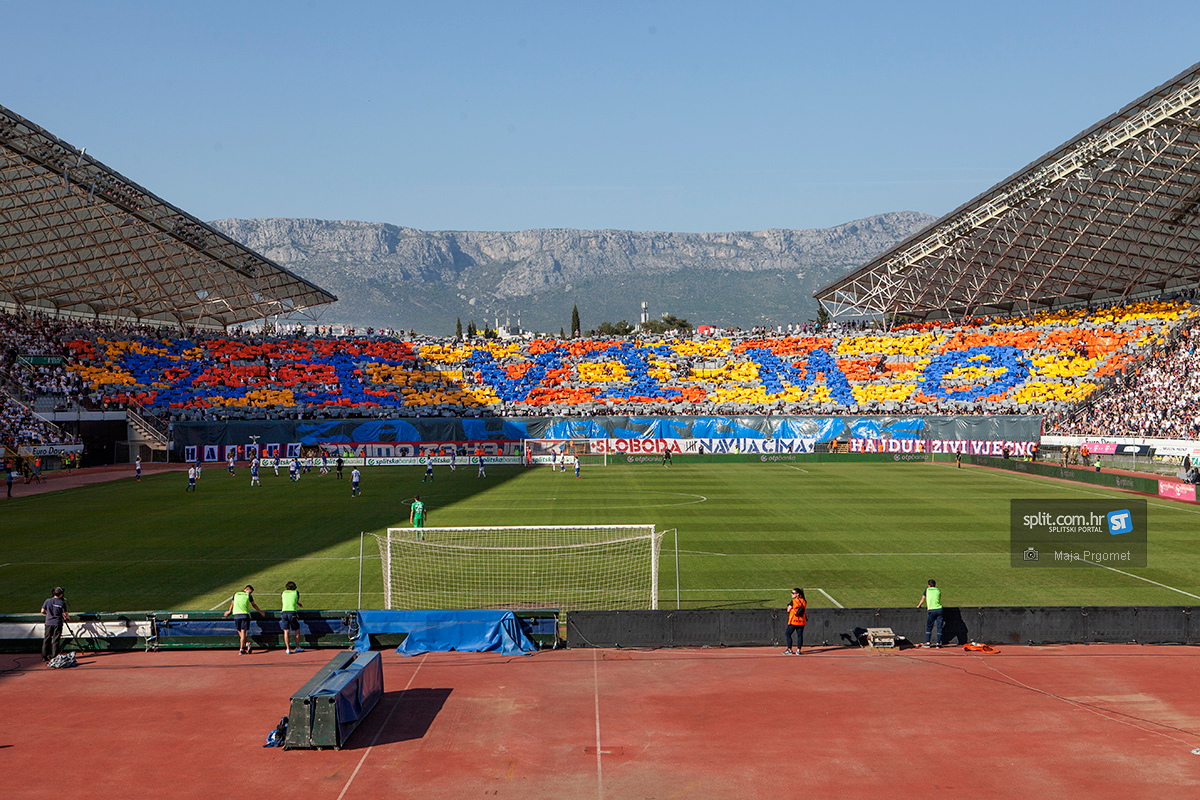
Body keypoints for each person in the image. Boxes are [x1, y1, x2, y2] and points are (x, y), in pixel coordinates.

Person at [223, 585, 262, 655]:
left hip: (236, 615)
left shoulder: (236, 594)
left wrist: (229, 611)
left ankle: (245, 645)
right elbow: (254, 605)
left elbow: (232, 604)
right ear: (246, 589)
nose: (250, 594)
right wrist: (261, 612)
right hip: (244, 615)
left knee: (240, 631)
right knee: (243, 632)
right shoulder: (248, 596)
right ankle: (242, 648)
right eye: (250, 592)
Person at [41, 586, 69, 663]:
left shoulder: (47, 601)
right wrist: (68, 618)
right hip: (57, 623)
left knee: (47, 638)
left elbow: (42, 611)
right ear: (61, 594)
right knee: (56, 639)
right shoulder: (62, 603)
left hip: (48, 622)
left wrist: (48, 615)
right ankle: (54, 655)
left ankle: (44, 655)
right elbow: (65, 614)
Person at [918, 579, 943, 648]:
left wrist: (919, 605)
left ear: (929, 585)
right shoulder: (938, 590)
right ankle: (938, 643)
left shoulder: (927, 590)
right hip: (939, 609)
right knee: (939, 627)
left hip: (932, 610)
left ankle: (928, 642)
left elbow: (922, 599)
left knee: (929, 626)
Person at [281, 581, 304, 654]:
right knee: (297, 630)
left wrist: (297, 603)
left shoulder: (283, 593)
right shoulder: (296, 592)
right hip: (292, 613)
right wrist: (298, 603)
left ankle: (288, 649)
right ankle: (297, 647)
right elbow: (295, 600)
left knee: (286, 631)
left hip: (284, 612)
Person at [783, 588, 806, 655]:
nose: (792, 594)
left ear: (797, 594)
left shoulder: (794, 601)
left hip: (794, 621)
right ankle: (798, 650)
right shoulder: (803, 601)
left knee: (788, 634)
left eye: (793, 593)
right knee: (799, 635)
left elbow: (788, 609)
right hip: (802, 621)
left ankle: (789, 649)